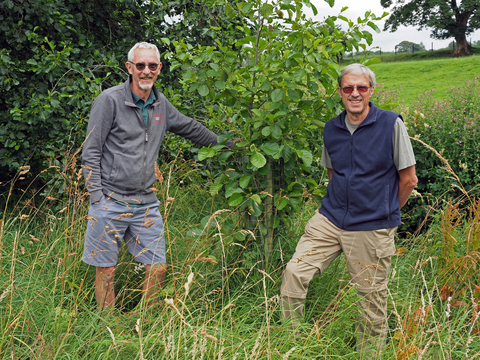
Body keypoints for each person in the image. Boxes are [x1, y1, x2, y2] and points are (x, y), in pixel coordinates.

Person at [280, 63, 418, 354]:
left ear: (370, 90)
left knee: (370, 303)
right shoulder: (332, 128)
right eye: (348, 88)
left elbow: (409, 179)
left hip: (371, 225)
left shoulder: (392, 124)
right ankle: (291, 345)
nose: (355, 93)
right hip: (330, 220)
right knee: (294, 272)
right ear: (340, 93)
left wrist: (385, 214)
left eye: (361, 88)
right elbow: (335, 174)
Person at [81, 42, 230, 310]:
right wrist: (97, 198)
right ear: (130, 68)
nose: (146, 71)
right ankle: (107, 328)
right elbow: (90, 152)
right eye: (140, 66)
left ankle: (143, 325)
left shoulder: (161, 105)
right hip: (110, 200)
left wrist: (230, 145)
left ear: (159, 68)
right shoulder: (109, 101)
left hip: (145, 203)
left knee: (158, 269)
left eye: (152, 66)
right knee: (107, 272)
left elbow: (191, 128)